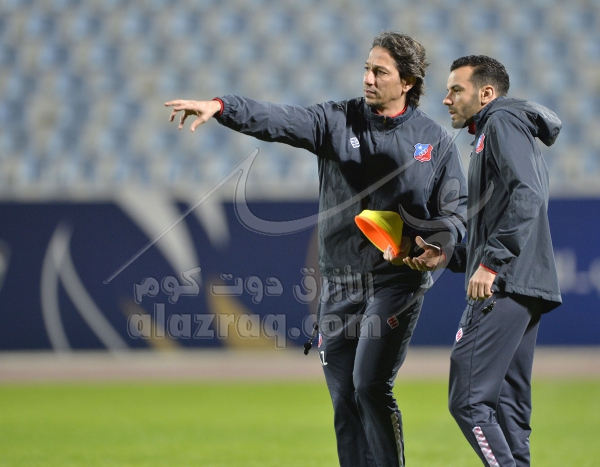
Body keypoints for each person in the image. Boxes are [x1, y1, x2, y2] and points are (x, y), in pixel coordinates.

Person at [165, 31, 467, 467]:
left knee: (369, 385)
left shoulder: (434, 141)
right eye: (366, 69)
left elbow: (454, 213)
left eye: (380, 72)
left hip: (396, 282)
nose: (367, 78)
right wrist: (223, 107)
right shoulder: (336, 120)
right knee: (344, 399)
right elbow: (278, 119)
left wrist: (437, 247)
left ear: (407, 82)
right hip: (339, 283)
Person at [390, 55, 562, 466]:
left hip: (503, 284)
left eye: (456, 89)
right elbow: (506, 216)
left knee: (468, 399)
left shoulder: (501, 121)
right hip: (521, 285)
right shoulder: (498, 128)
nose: (446, 99)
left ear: (485, 93)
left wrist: (492, 263)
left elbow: (528, 196)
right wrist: (448, 254)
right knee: (507, 407)